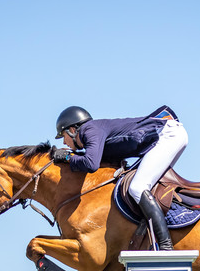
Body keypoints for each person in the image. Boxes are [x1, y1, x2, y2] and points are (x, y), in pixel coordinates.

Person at [53, 105, 188, 250]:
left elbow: (91, 164)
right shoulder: (93, 134)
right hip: (165, 136)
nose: (64, 142)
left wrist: (67, 157)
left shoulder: (89, 129)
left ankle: (166, 246)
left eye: (63, 136)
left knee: (137, 188)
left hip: (168, 135)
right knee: (139, 186)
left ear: (72, 130)